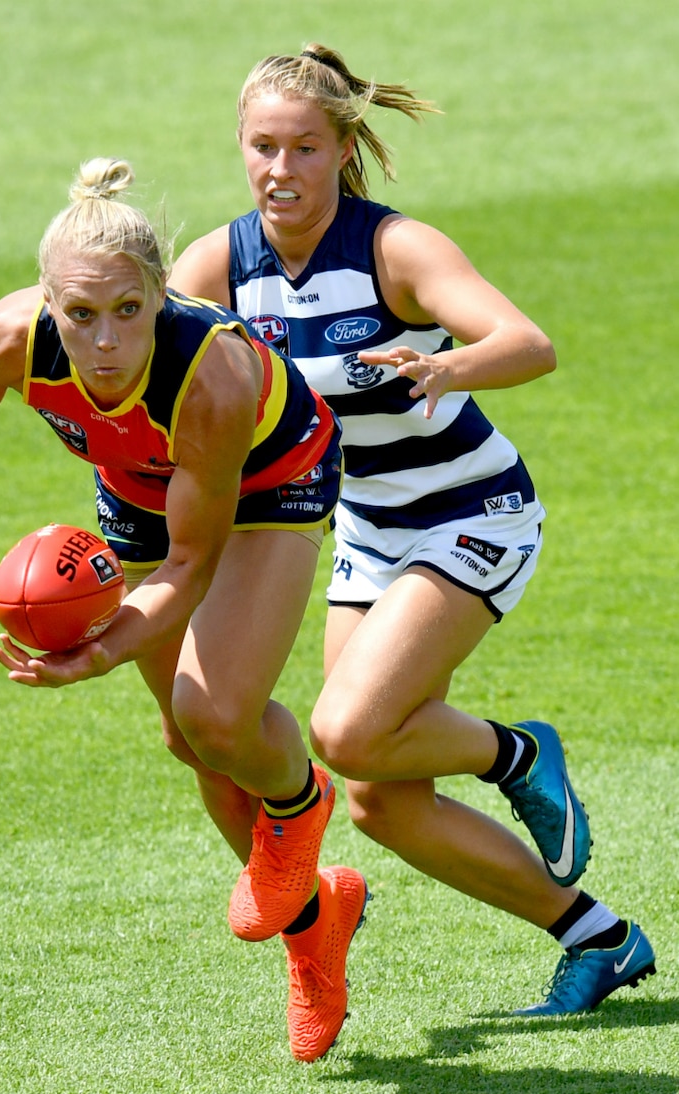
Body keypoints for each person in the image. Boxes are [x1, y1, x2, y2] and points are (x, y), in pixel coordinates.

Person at [168, 45, 656, 1016]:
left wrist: (447, 369)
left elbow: (527, 344)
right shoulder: (219, 266)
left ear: (342, 148)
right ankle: (597, 938)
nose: (280, 170)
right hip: (371, 526)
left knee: (345, 731)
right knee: (380, 798)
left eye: (304, 148)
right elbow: (170, 386)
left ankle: (518, 753)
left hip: (473, 512)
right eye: (262, 147)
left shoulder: (392, 250)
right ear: (240, 148)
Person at [0, 157, 371, 1061]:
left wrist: (95, 653)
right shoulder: (5, 340)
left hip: (268, 475)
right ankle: (316, 931)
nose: (105, 340)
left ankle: (300, 800)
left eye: (129, 311)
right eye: (81, 314)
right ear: (47, 304)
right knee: (194, 744)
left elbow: (189, 559)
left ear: (160, 294)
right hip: (142, 489)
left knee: (214, 713)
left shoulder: (207, 380)